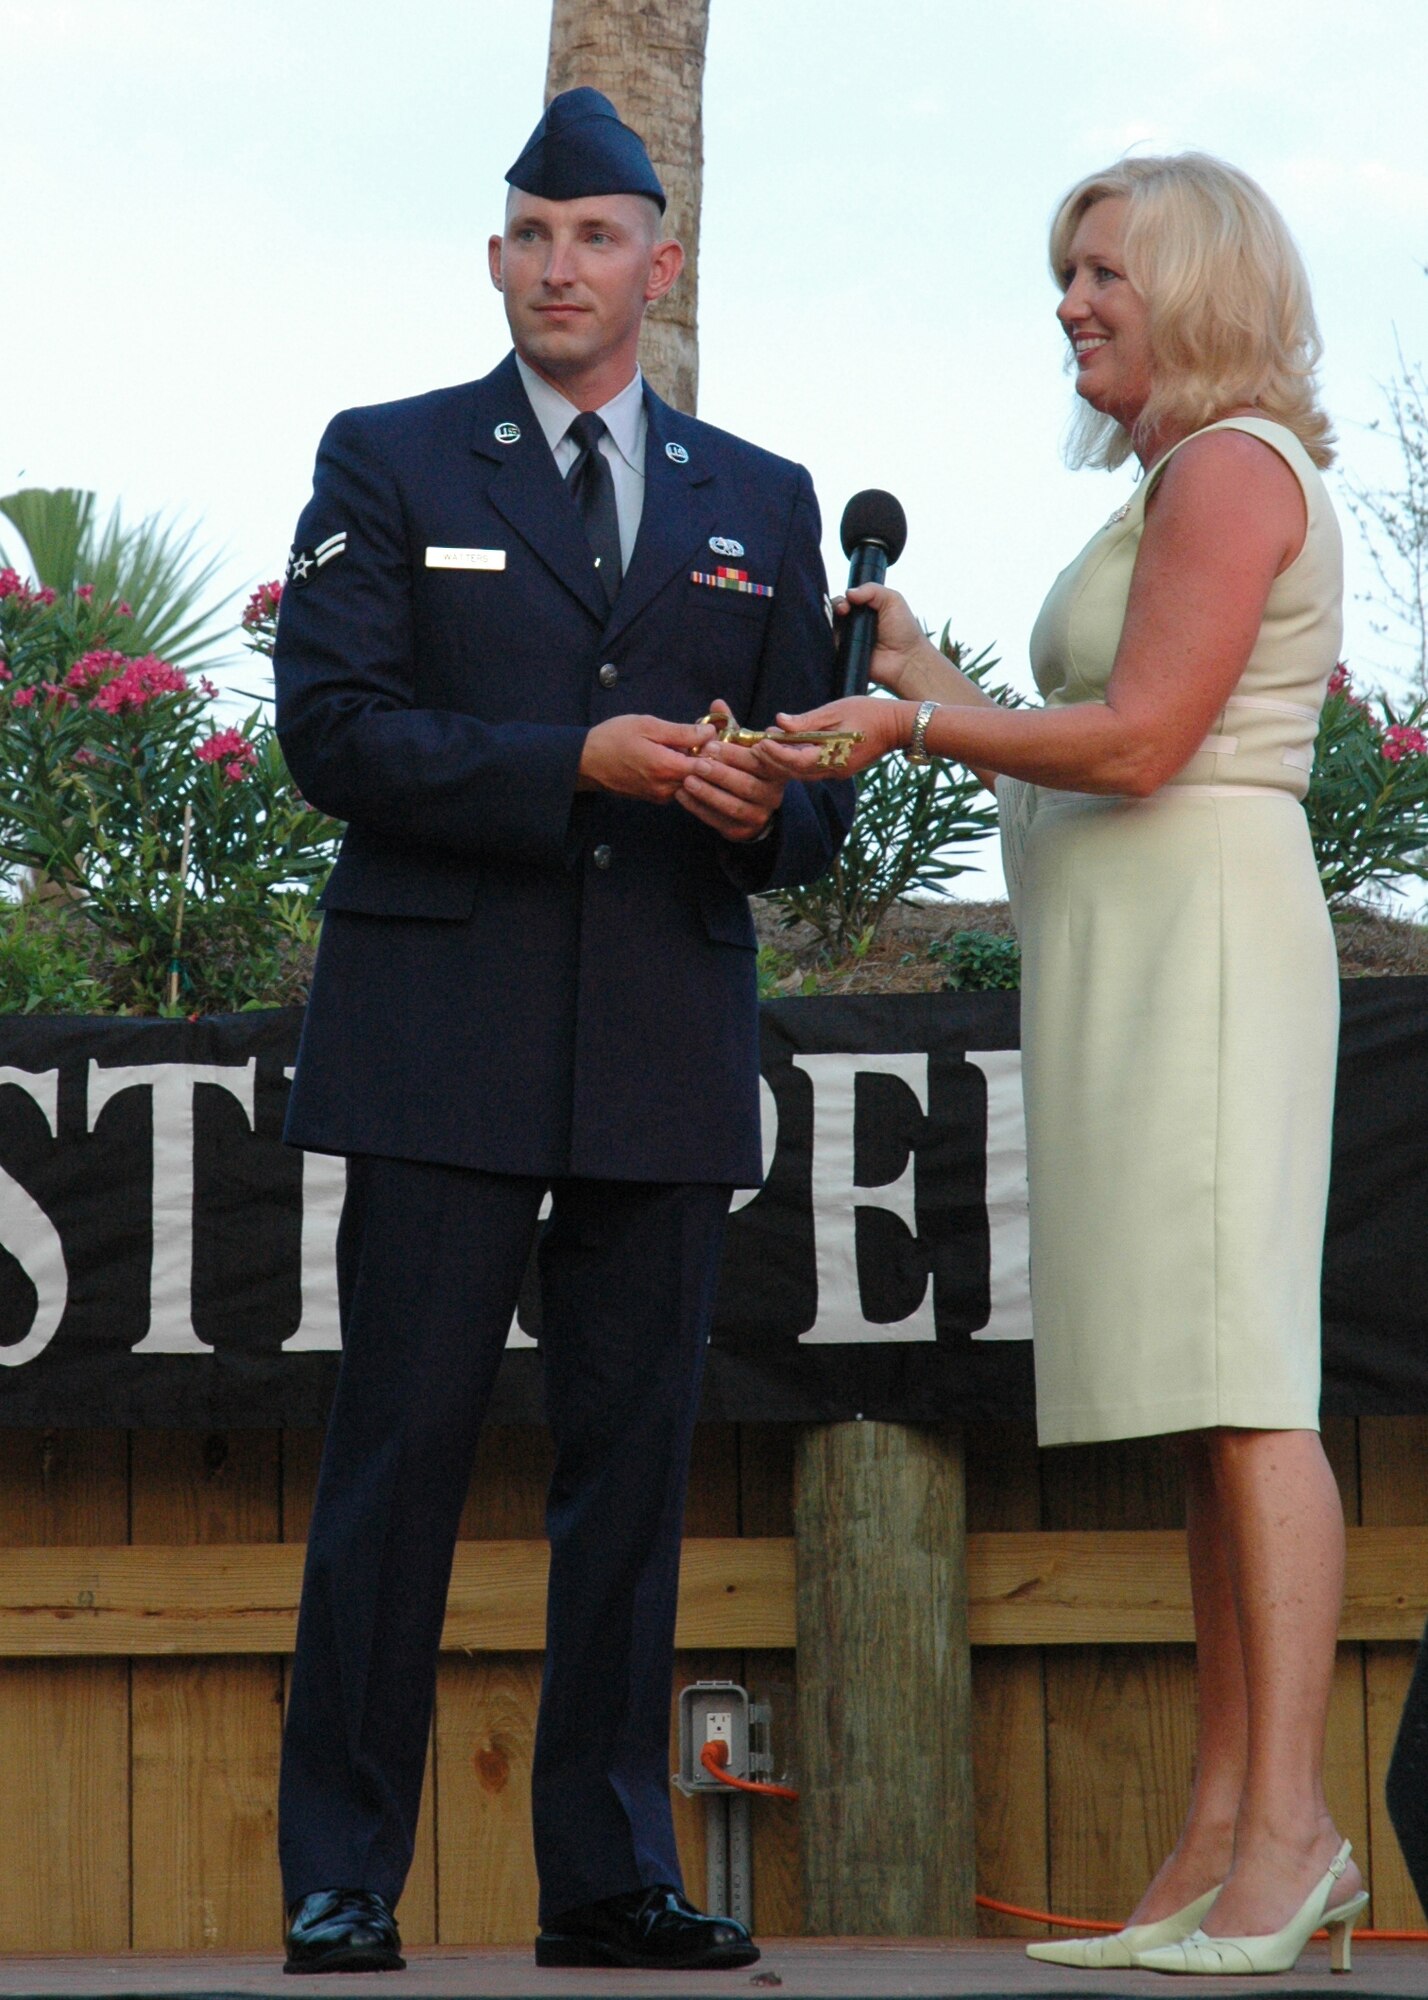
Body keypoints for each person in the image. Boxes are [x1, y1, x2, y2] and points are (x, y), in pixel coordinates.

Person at [755, 153, 1369, 1978]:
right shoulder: (1168, 483)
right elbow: (1081, 739)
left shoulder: (1237, 468)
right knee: (1200, 1391)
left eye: (1104, 272)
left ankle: (1294, 1833)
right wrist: (929, 675)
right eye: (1066, 274)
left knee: (1249, 1375)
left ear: (1195, 285)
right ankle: (1215, 1832)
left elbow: (1154, 734)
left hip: (1206, 956)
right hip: (1125, 958)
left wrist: (913, 718)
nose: (1072, 302)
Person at [272, 86, 850, 1974]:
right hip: (442, 1038)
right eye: (529, 235)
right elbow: (334, 736)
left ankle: (607, 1880)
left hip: (661, 1052)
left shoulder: (757, 501)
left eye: (594, 239)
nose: (556, 269)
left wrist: (774, 805)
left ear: (656, 267)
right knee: (399, 1466)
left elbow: (815, 793)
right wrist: (572, 764)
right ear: (495, 255)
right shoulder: (389, 459)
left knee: (629, 1488)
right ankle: (343, 1872)